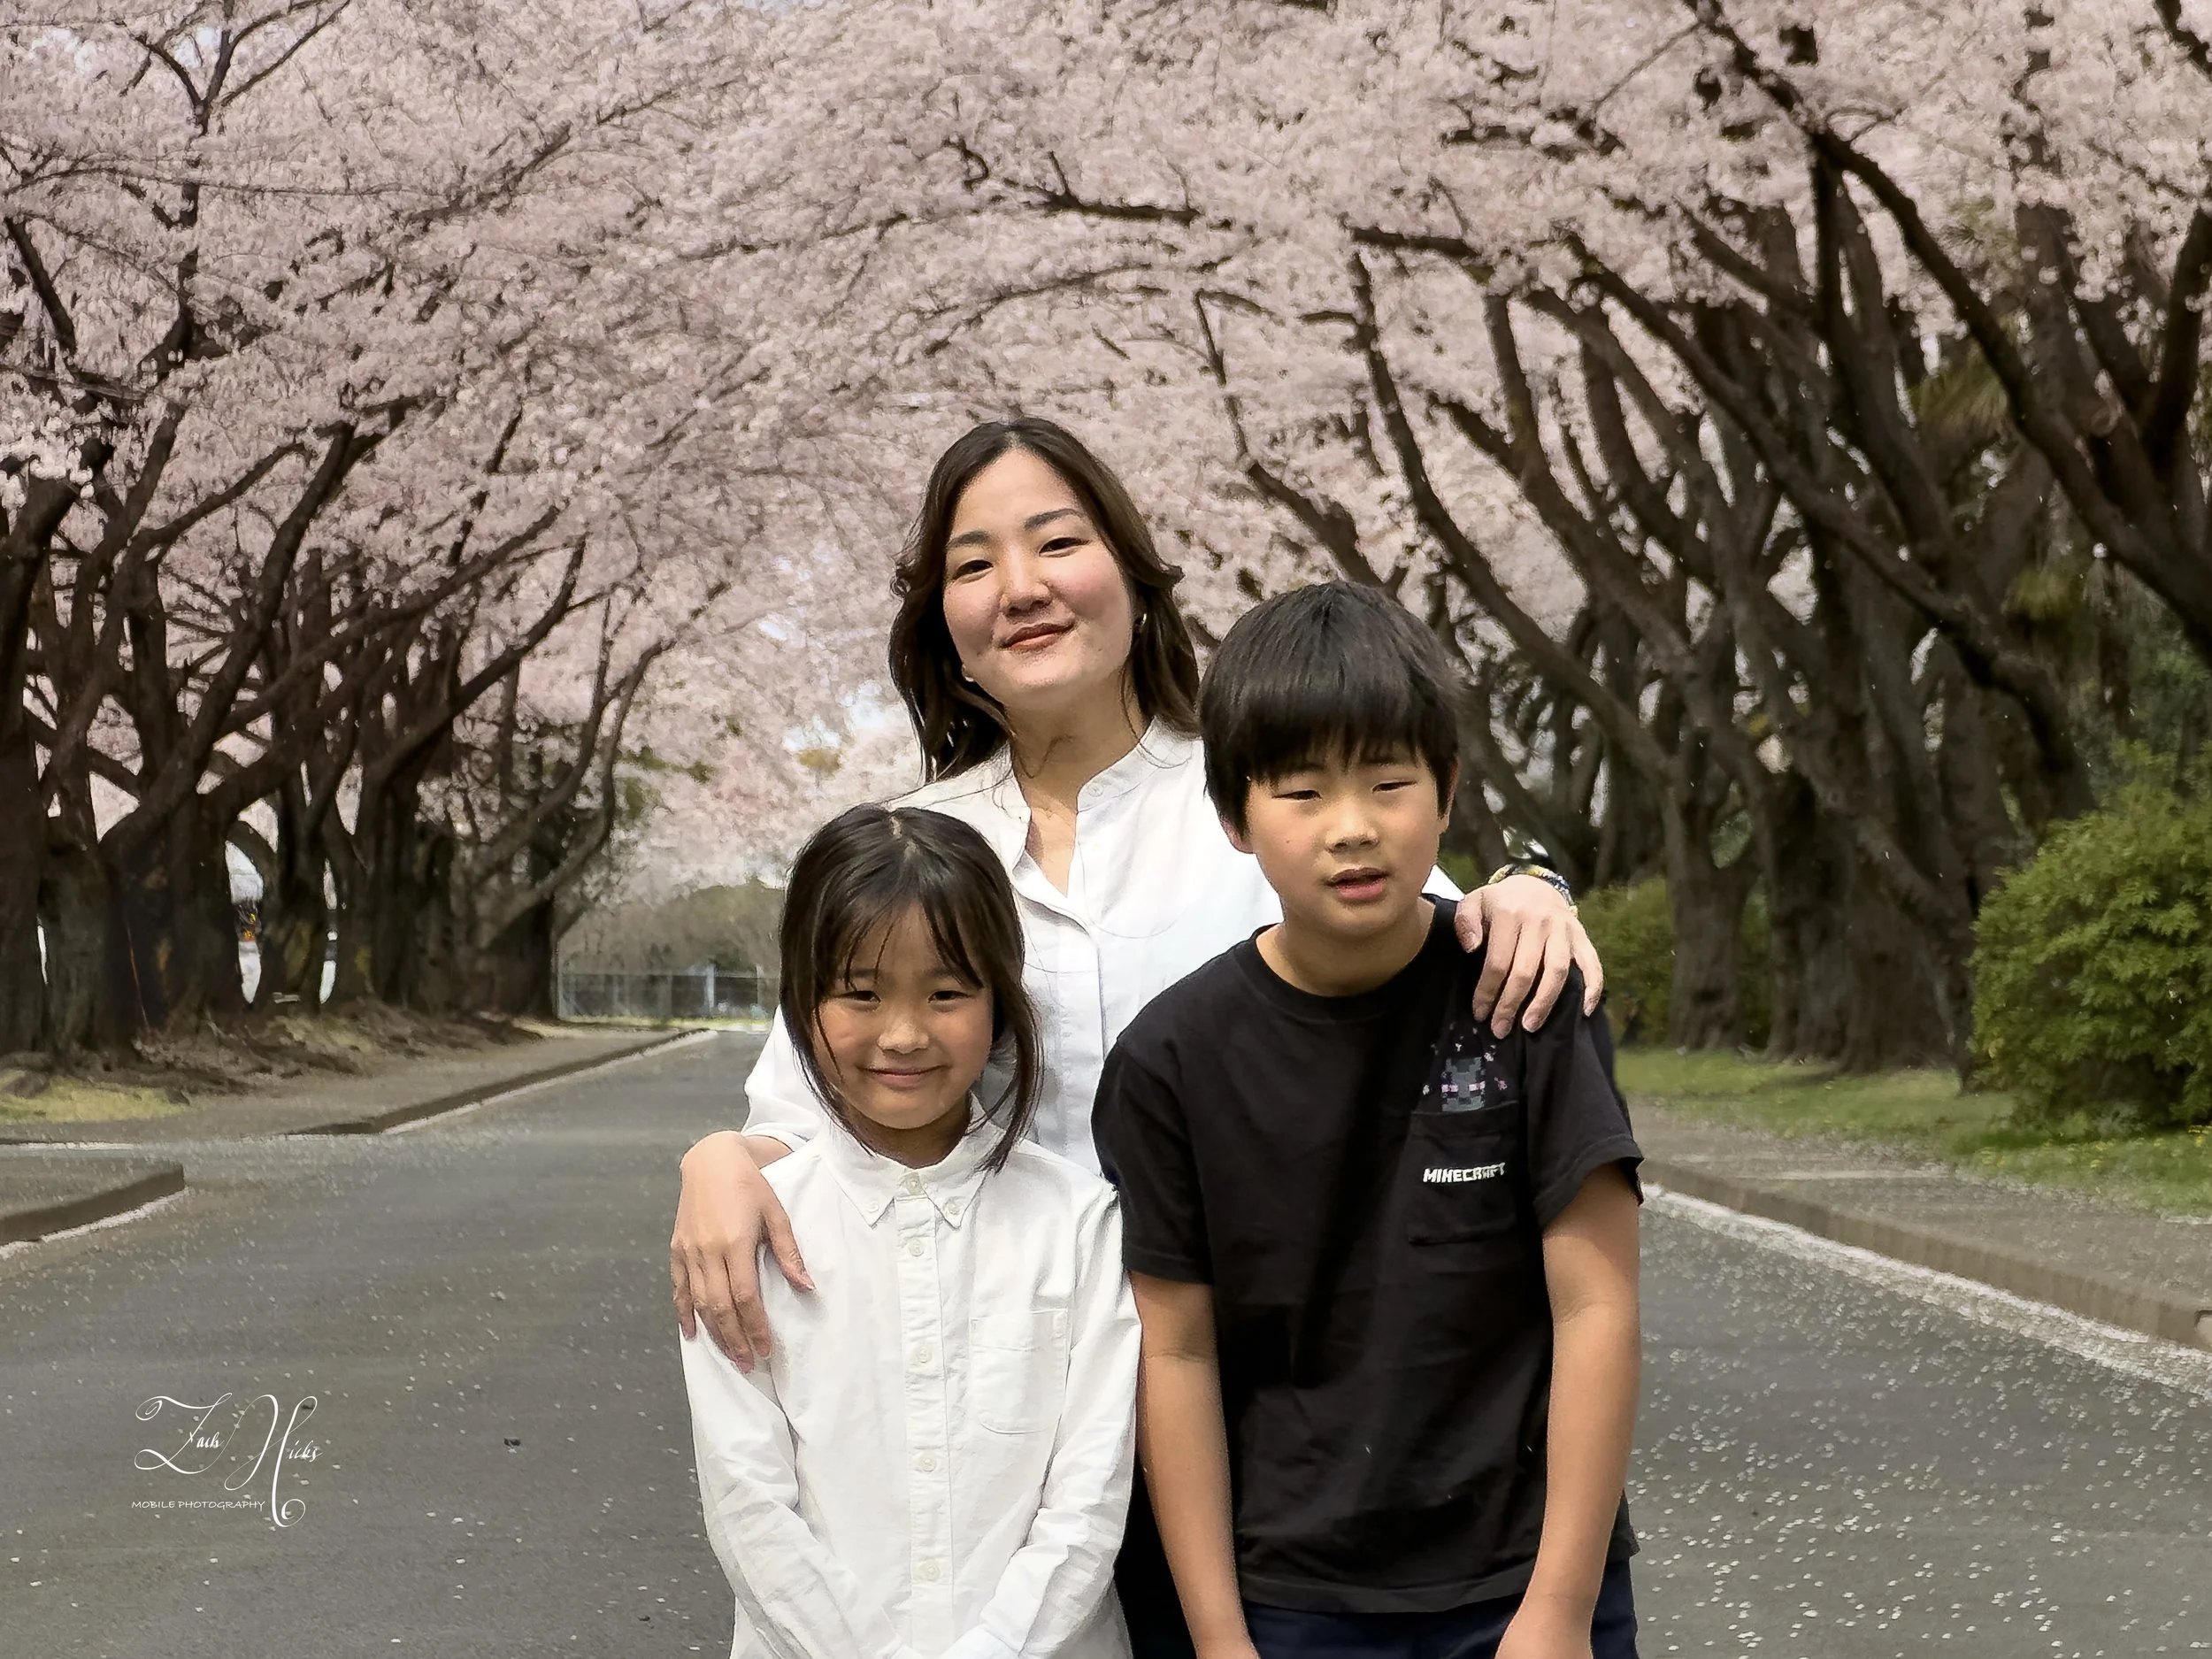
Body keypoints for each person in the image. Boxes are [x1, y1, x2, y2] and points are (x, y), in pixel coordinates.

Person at [670, 419, 1611, 1659]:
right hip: (991, 1430)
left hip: (1258, 1427)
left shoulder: (1246, 794)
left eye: (1058, 540)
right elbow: (810, 1118)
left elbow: (1386, 928)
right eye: (972, 563)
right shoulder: (908, 842)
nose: (1021, 586)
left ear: (1133, 568)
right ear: (937, 616)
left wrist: (1526, 887)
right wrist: (716, 1158)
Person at [1093, 584, 1644, 1659]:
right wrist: (1217, 1639)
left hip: (1523, 1581)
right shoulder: (1170, 1062)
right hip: (1289, 1598)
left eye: (1389, 782)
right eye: (1301, 791)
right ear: (1234, 818)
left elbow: (1596, 1308)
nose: (1352, 829)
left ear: (1445, 795)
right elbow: (1179, 1353)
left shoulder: (1527, 1003)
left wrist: (1560, 1610)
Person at [680, 803, 1139, 1659]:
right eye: (859, 992)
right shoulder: (746, 1233)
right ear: (802, 1001)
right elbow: (748, 1499)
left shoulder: (1078, 1222)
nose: (903, 1033)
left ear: (999, 999)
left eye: (946, 992)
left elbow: (1089, 1497)